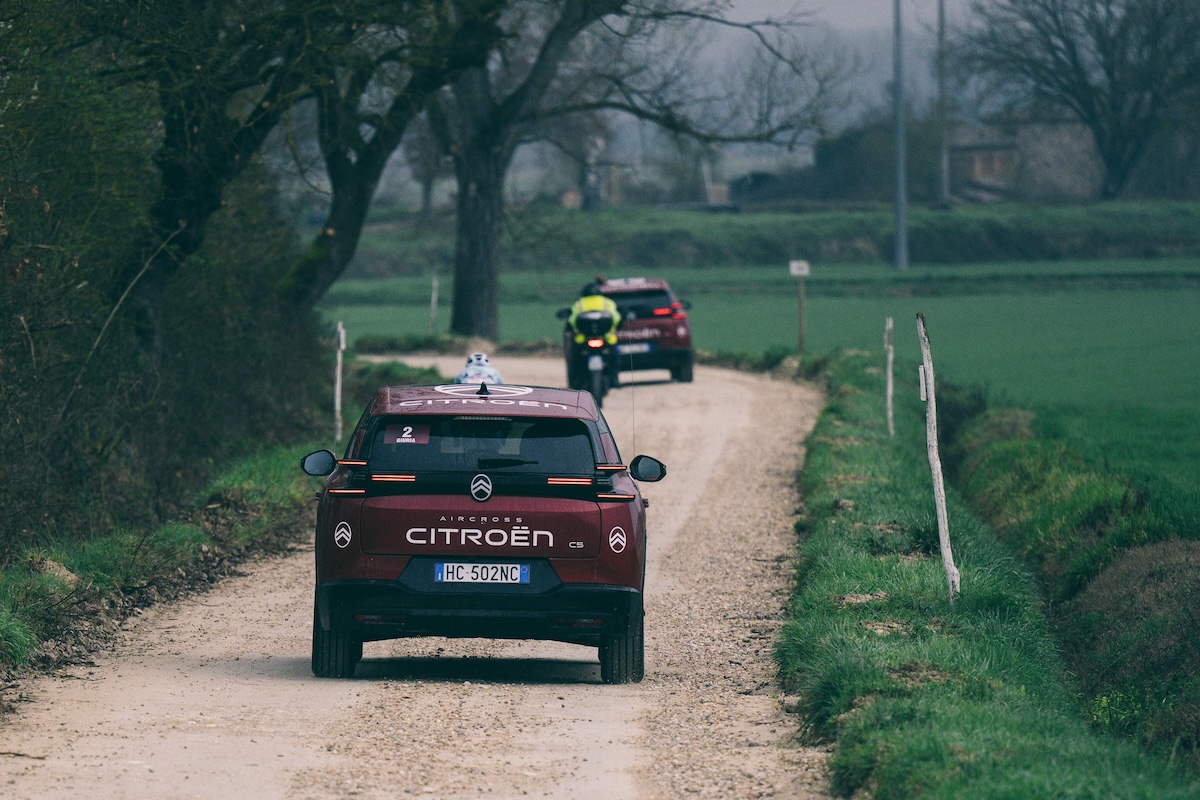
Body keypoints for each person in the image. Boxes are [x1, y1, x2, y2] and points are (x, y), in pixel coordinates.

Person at [567, 276, 620, 347]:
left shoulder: (579, 304)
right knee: (614, 353)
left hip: (583, 339)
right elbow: (616, 318)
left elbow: (572, 320)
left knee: (576, 353)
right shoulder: (607, 302)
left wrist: (570, 327)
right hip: (606, 338)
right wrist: (619, 325)